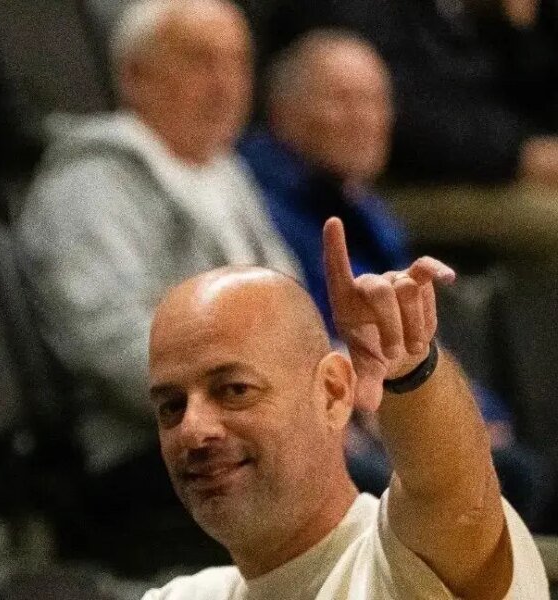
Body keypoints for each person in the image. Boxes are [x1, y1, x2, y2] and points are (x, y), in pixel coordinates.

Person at [238, 30, 552, 525]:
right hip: (334, 421)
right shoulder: (257, 201)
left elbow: (412, 339)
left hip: (385, 406)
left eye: (376, 101)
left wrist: (477, 412)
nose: (366, 118)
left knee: (518, 471)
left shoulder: (364, 206)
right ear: (281, 110)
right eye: (343, 100)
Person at [143, 217, 549, 598]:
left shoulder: (396, 562)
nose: (192, 429)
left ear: (333, 393)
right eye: (171, 406)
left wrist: (409, 369)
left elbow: (450, 497)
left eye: (234, 390)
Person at [17, 0, 298, 475]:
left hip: (263, 431)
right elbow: (107, 341)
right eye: (200, 61)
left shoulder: (227, 173)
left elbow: (289, 304)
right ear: (134, 75)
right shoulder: (92, 181)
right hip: (150, 450)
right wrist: (254, 400)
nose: (225, 85)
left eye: (237, 63)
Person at [257, 0, 558, 184]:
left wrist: (516, 28)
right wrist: (518, 153)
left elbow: (497, 88)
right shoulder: (358, 12)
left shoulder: (464, 12)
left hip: (486, 157)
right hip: (400, 176)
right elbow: (405, 111)